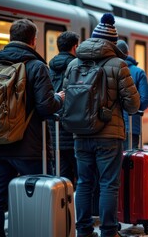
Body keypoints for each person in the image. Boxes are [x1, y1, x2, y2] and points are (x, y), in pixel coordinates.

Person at [0, 18, 65, 237]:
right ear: (33, 40)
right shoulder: (37, 66)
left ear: (11, 38)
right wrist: (59, 98)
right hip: (28, 145)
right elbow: (46, 106)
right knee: (36, 193)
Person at [70, 13, 140, 237]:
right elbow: (133, 105)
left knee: (84, 183)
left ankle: (83, 230)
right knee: (109, 184)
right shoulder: (118, 64)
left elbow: (67, 98)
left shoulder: (74, 63)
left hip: (80, 133)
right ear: (112, 41)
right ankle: (109, 231)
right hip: (109, 135)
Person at [48, 31, 80, 188]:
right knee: (82, 177)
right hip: (74, 129)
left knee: (62, 177)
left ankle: (64, 212)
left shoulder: (49, 67)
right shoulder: (78, 67)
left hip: (54, 131)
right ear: (75, 47)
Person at [116, 40, 148, 150]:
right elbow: (145, 99)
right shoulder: (138, 72)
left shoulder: (107, 69)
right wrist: (132, 108)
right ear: (128, 53)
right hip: (131, 125)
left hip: (110, 127)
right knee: (131, 160)